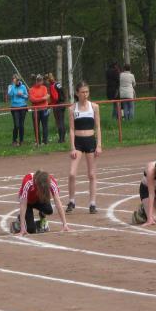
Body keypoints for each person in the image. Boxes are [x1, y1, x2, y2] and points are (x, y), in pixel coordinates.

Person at [66, 81, 103, 214]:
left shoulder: (94, 107)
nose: (85, 94)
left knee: (91, 174)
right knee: (72, 173)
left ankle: (92, 204)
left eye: (87, 92)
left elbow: (98, 127)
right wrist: (72, 147)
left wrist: (99, 145)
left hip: (90, 141)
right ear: (77, 93)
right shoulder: (72, 109)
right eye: (82, 92)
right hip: (78, 143)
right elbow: (71, 129)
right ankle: (71, 201)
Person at [11, 170, 70, 235]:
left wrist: (65, 224)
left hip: (39, 199)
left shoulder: (51, 182)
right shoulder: (28, 182)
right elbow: (23, 204)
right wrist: (22, 228)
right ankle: (19, 220)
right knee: (31, 230)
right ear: (36, 183)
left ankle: (42, 215)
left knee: (49, 210)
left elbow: (58, 202)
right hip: (27, 202)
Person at [7, 74, 29, 146]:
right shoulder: (10, 86)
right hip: (14, 107)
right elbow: (10, 94)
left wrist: (22, 95)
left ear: (19, 80)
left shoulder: (23, 87)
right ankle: (14, 140)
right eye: (14, 80)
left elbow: (27, 97)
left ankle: (21, 141)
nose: (16, 81)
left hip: (23, 107)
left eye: (17, 80)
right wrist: (13, 85)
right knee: (16, 125)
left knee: (21, 125)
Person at [28, 74, 50, 144]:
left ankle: (45, 141)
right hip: (35, 110)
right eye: (39, 80)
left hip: (44, 109)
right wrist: (42, 98)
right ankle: (38, 141)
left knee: (45, 125)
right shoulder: (31, 89)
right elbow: (32, 100)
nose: (40, 82)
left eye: (41, 80)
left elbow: (46, 97)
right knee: (36, 126)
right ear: (36, 81)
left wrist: (40, 99)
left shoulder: (44, 88)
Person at [46, 72, 66, 143]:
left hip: (57, 105)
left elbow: (55, 98)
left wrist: (49, 104)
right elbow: (63, 93)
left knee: (59, 122)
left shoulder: (52, 86)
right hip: (63, 104)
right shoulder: (58, 84)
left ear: (48, 80)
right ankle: (63, 139)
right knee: (62, 121)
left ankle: (61, 139)